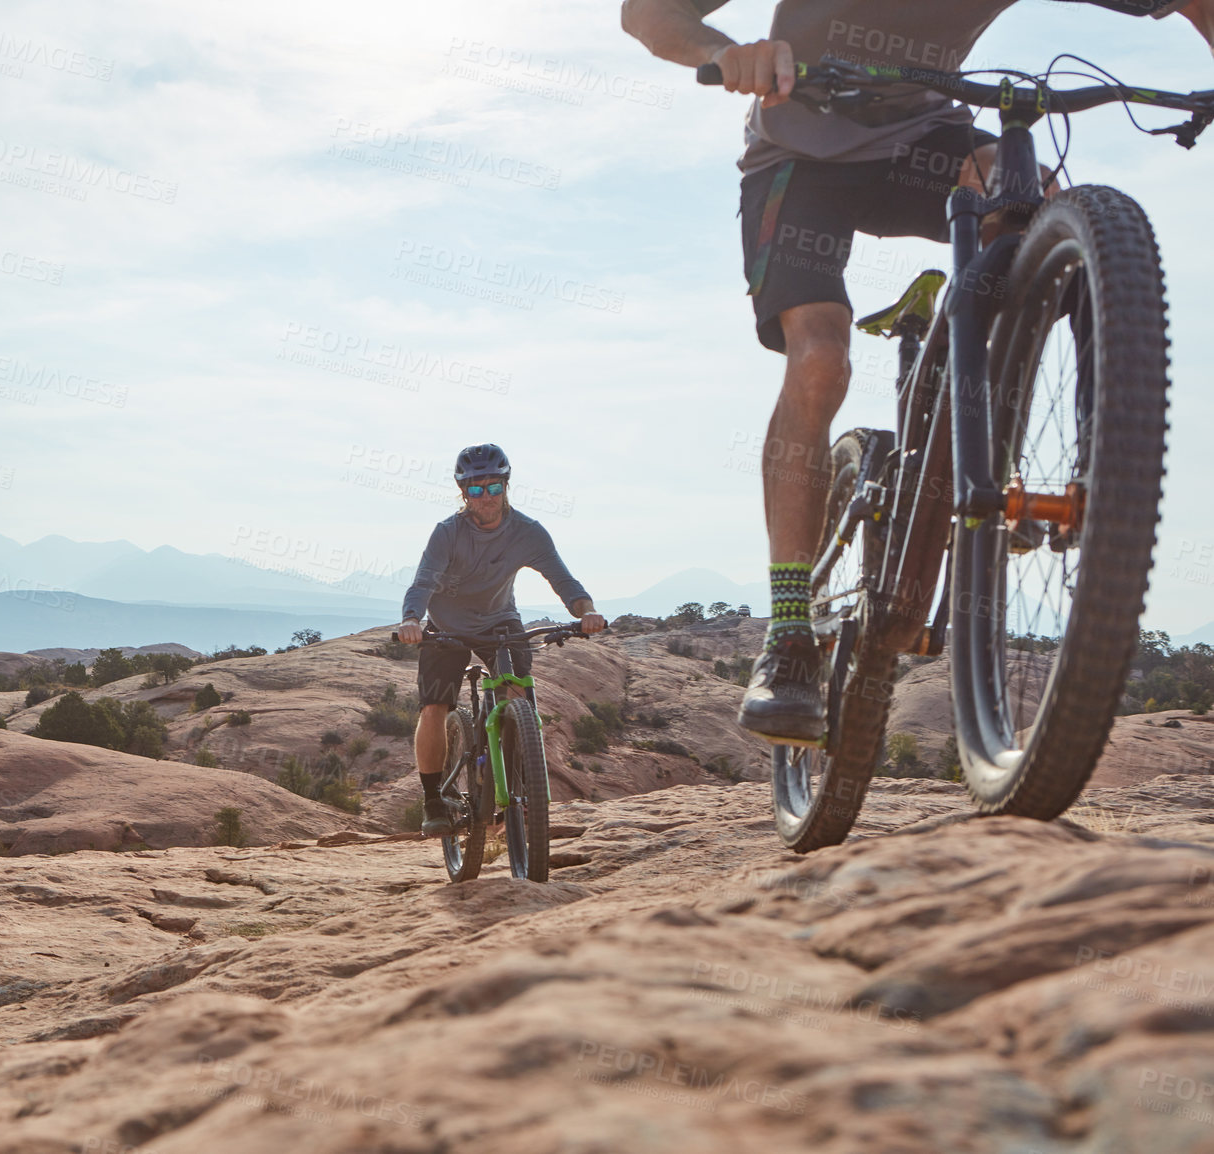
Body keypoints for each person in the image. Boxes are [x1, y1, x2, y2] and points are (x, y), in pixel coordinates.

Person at [620, 0, 1214, 743]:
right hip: (801, 154)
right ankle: (790, 630)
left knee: (1047, 204)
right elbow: (647, 13)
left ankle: (1076, 457)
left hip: (929, 141)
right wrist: (728, 50)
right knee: (821, 360)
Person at [398, 444, 606, 836]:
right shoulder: (448, 534)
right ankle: (433, 801)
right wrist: (411, 619)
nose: (486, 497)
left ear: (507, 485)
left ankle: (521, 789)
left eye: (494, 487)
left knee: (518, 695)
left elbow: (564, 581)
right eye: (476, 490)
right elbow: (423, 582)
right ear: (463, 493)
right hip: (447, 626)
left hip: (500, 622)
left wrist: (587, 613)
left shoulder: (527, 532)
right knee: (434, 707)